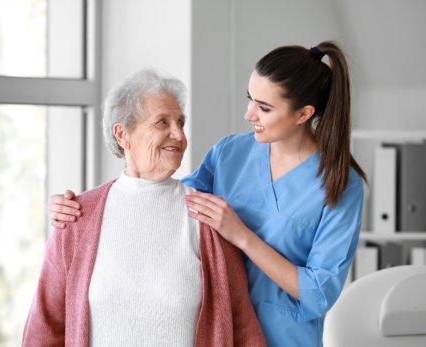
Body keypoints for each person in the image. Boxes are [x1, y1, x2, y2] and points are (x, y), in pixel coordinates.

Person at [46, 41, 368, 347]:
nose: (249, 114)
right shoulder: (230, 153)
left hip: (281, 338)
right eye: (250, 99)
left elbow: (318, 293)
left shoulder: (341, 185)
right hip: (216, 333)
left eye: (264, 107)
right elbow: (166, 201)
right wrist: (82, 210)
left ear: (304, 114)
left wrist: (241, 235)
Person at [23, 68, 266, 347]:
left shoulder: (208, 218)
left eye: (180, 122)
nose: (178, 134)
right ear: (122, 134)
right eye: (162, 122)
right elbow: (44, 328)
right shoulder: (77, 217)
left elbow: (243, 327)